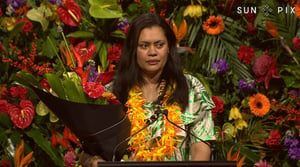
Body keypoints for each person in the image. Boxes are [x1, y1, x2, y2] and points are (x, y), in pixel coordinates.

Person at [80, 13, 216, 167]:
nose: (153, 52)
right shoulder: (111, 94)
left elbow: (201, 145)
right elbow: (87, 152)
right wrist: (94, 162)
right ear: (133, 50)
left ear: (169, 48)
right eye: (144, 46)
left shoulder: (191, 88)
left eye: (159, 45)